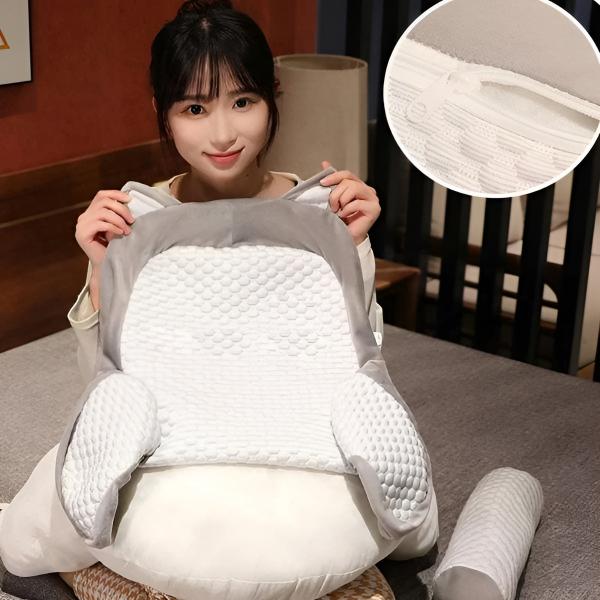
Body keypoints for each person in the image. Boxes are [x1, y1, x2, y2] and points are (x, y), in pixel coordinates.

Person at [68, 0, 384, 389]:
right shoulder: (137, 220)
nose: (222, 135)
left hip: (291, 410)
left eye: (242, 102)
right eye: (195, 109)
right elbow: (103, 385)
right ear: (162, 112)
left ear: (273, 97)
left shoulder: (316, 214)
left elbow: (360, 362)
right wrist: (103, 270)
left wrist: (353, 245)